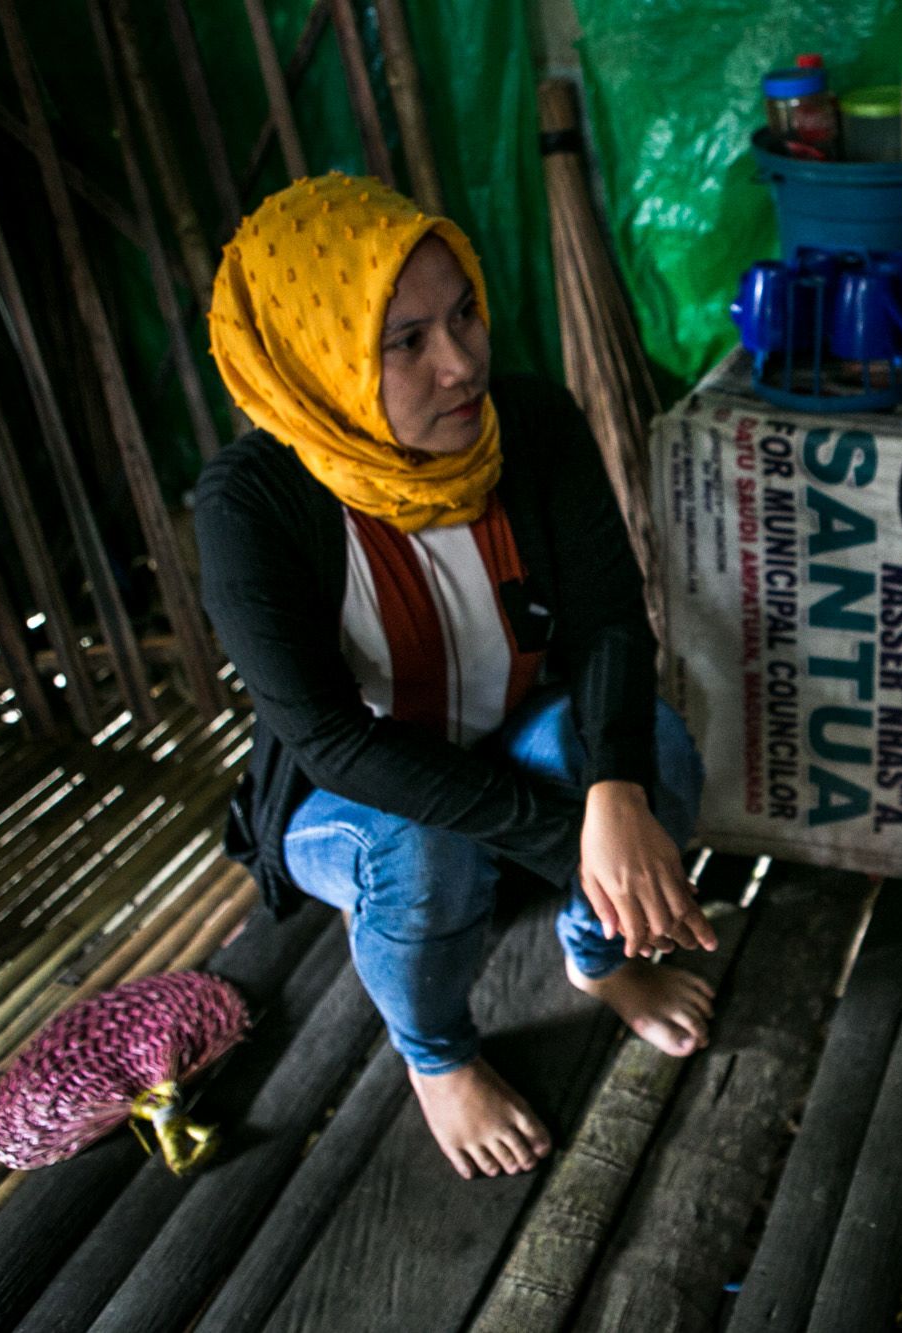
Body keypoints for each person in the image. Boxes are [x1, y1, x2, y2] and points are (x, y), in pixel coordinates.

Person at [197, 174, 718, 1181]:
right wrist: (582, 840)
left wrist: (611, 790)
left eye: (465, 314)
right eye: (407, 342)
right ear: (320, 359)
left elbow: (611, 619)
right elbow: (334, 744)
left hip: (509, 729)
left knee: (647, 748)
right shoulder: (251, 504)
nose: (460, 362)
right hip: (347, 794)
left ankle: (597, 958)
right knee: (423, 845)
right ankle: (436, 1055)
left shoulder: (528, 422)